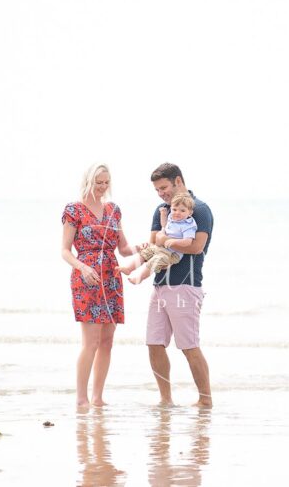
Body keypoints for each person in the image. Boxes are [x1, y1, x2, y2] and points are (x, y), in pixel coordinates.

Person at [61, 163, 138, 409]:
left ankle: (98, 397)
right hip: (87, 278)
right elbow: (65, 250)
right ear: (88, 181)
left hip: (111, 278)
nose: (103, 187)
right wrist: (82, 267)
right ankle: (81, 399)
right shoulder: (74, 210)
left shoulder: (114, 210)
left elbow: (124, 249)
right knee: (91, 342)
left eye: (106, 182)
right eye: (98, 182)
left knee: (107, 341)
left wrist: (145, 248)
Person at [143, 163, 214, 407]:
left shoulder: (200, 210)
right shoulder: (161, 210)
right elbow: (153, 242)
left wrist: (166, 240)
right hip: (160, 284)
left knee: (189, 346)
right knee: (154, 343)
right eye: (157, 190)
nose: (161, 193)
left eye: (164, 187)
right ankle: (166, 399)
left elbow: (196, 247)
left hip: (187, 285)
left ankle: (205, 400)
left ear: (179, 182)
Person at [121, 192, 198, 285]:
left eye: (182, 211)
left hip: (172, 254)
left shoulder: (188, 225)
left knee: (155, 260)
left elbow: (188, 242)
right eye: (174, 209)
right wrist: (163, 214)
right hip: (160, 248)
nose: (177, 213)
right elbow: (164, 225)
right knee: (145, 252)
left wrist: (172, 241)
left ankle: (139, 278)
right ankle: (129, 268)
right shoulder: (172, 217)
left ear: (190, 212)